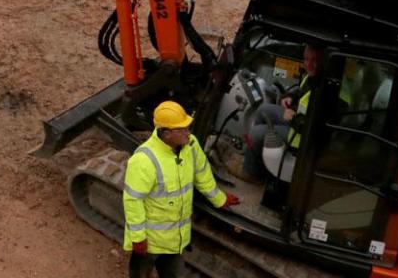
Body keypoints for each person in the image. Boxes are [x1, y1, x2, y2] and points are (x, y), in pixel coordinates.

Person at [124, 101, 239, 277]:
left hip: (175, 238)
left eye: (188, 127)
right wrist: (138, 237)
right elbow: (133, 200)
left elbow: (202, 173)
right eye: (182, 129)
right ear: (166, 133)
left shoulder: (190, 145)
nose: (189, 133)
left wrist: (219, 199)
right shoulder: (144, 160)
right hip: (151, 240)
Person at [244, 44, 322, 181]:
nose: (309, 64)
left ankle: (253, 174)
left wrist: (293, 118)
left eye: (314, 60)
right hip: (297, 122)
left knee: (256, 133)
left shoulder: (327, 88)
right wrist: (289, 96)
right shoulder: (312, 78)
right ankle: (258, 161)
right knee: (263, 110)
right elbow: (300, 91)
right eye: (306, 59)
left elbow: (319, 127)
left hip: (303, 138)